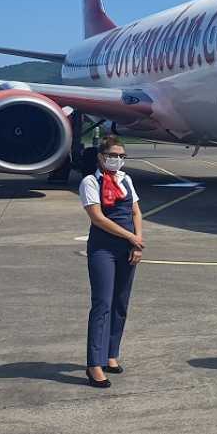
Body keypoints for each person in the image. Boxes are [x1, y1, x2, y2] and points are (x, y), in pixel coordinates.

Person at [80, 136, 144, 389]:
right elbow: (97, 217)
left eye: (121, 156)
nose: (116, 159)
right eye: (112, 155)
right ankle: (93, 363)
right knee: (102, 303)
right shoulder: (90, 181)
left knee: (121, 302)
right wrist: (130, 236)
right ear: (101, 156)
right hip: (103, 248)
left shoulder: (125, 179)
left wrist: (137, 241)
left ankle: (111, 355)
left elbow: (136, 211)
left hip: (128, 247)